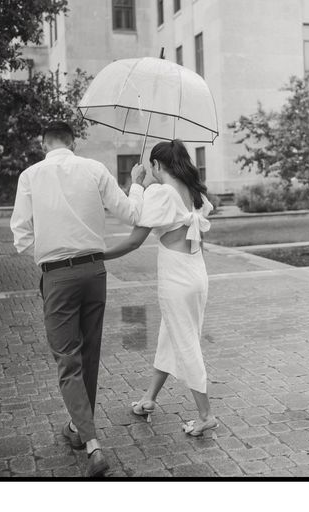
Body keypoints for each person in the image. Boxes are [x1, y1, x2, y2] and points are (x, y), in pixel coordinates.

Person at [10, 121, 146, 477]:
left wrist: (46, 255)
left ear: (45, 143)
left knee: (68, 360)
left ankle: (92, 445)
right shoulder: (95, 169)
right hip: (95, 272)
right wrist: (138, 183)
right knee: (89, 355)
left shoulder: (30, 175)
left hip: (58, 275)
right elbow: (133, 213)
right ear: (73, 143)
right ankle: (77, 428)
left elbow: (21, 235)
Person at [104, 139, 218, 437]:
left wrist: (98, 255)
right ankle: (149, 399)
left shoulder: (162, 192)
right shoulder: (193, 191)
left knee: (186, 343)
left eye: (151, 166)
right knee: (170, 336)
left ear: (156, 165)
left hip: (176, 277)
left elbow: (134, 239)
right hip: (195, 272)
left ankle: (205, 415)